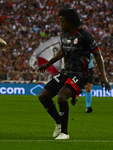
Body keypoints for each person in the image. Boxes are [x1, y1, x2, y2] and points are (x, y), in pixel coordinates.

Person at [38, 9, 111, 140]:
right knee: (43, 96)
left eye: (62, 21)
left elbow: (97, 54)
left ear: (70, 21)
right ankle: (59, 123)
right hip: (66, 72)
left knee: (62, 97)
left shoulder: (85, 36)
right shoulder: (64, 35)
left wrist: (103, 76)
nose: (60, 24)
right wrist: (48, 64)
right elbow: (62, 52)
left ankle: (64, 133)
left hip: (80, 74)